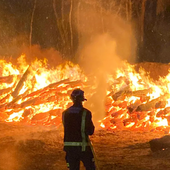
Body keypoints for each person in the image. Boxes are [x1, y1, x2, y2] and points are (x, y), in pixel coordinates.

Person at [62, 88, 96, 170]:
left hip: (69, 149)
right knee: (90, 167)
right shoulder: (86, 113)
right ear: (82, 100)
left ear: (72, 99)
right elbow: (90, 131)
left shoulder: (65, 113)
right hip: (83, 148)